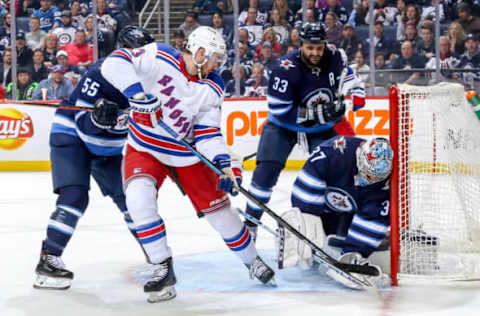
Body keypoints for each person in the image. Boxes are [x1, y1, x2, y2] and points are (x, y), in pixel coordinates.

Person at [100, 26, 275, 302]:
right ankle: (162, 268)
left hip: (186, 154)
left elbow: (207, 132)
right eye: (216, 57)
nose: (220, 63)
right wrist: (137, 94)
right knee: (138, 201)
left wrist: (222, 163)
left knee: (221, 215)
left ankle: (252, 260)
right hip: (145, 145)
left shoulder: (214, 84)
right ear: (201, 52)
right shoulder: (159, 55)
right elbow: (114, 63)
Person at [33, 25, 155, 290]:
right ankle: (49, 259)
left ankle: (156, 256)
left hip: (109, 147)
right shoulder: (101, 72)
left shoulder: (154, 79)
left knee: (132, 198)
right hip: (72, 137)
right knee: (75, 196)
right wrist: (96, 119)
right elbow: (82, 121)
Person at [243, 22, 366, 238]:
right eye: (310, 48)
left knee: (337, 174)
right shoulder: (285, 69)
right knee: (265, 175)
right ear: (301, 45)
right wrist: (322, 113)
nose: (315, 53)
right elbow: (279, 109)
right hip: (283, 127)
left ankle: (333, 228)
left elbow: (348, 75)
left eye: (319, 48)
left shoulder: (335, 56)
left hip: (321, 129)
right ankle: (251, 223)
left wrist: (357, 93)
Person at [276, 136, 392, 288]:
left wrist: (353, 252)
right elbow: (310, 177)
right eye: (367, 173)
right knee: (308, 246)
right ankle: (296, 232)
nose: (369, 179)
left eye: (375, 177)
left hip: (348, 213)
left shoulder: (383, 185)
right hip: (322, 207)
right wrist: (304, 222)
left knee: (336, 246)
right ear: (360, 156)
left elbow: (373, 217)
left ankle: (348, 250)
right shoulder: (336, 152)